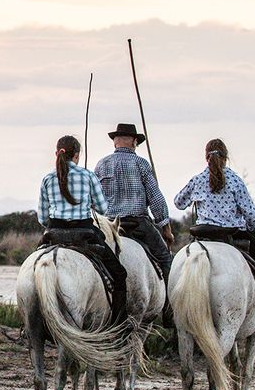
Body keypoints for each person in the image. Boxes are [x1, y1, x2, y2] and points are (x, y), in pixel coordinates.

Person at [173, 138, 255, 330]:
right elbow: (251, 213)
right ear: (226, 157)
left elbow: (178, 202)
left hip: (202, 236)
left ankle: (172, 315)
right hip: (233, 236)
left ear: (206, 157)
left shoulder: (197, 179)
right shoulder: (234, 180)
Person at [37, 134, 129, 324]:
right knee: (119, 273)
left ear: (56, 154)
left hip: (54, 233)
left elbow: (43, 218)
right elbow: (103, 209)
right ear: (77, 155)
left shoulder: (47, 179)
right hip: (84, 233)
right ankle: (119, 323)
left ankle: (29, 323)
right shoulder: (87, 175)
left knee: (33, 266)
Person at [94, 123, 174, 285]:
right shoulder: (141, 163)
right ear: (133, 142)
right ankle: (169, 306)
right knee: (165, 258)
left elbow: (94, 200)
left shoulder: (101, 164)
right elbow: (155, 198)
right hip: (138, 224)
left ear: (115, 142)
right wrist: (166, 228)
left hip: (110, 225)